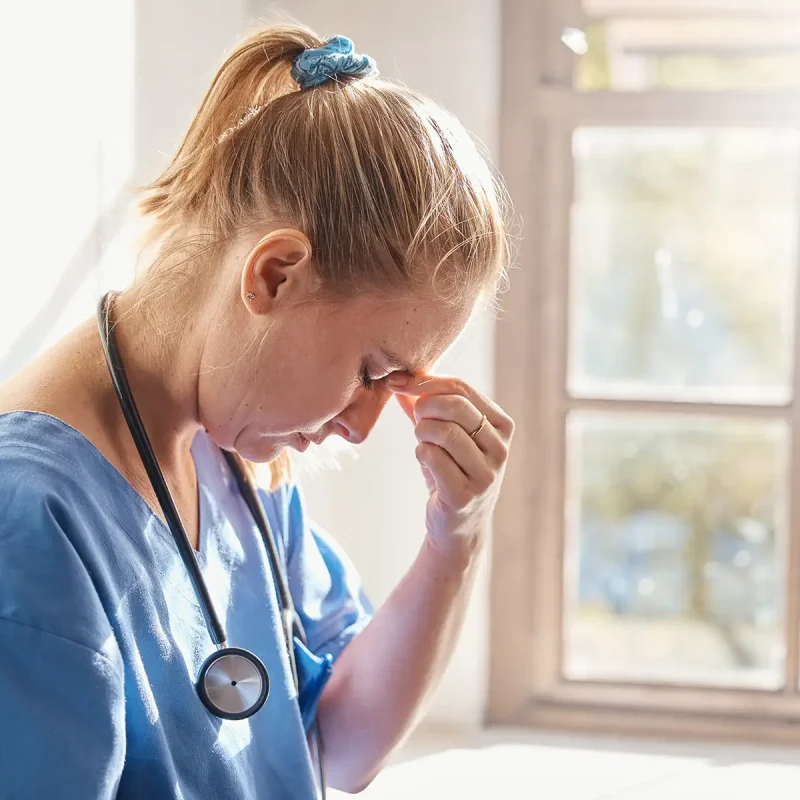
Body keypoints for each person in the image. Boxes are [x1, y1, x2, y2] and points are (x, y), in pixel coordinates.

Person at [0, 23, 513, 800]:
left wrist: (455, 538)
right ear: (274, 274)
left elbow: (339, 748)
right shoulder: (33, 517)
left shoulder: (234, 454)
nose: (362, 425)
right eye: (372, 371)